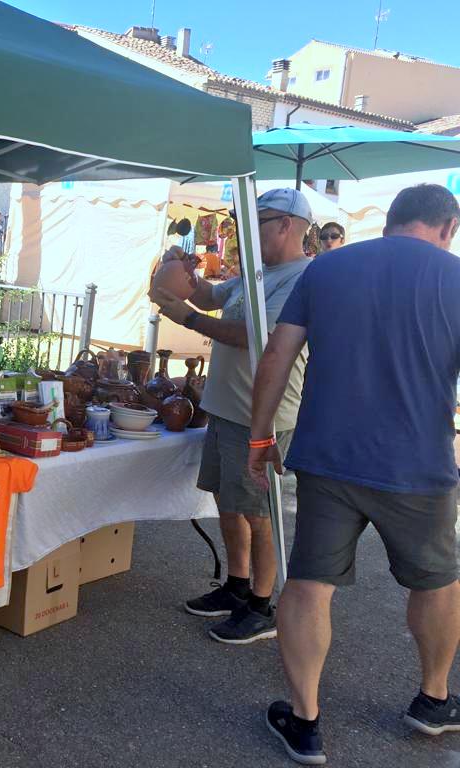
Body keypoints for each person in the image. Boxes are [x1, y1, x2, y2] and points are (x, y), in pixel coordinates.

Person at [247, 184, 460, 765]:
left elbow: (276, 356)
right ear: (447, 227)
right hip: (420, 467)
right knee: (437, 582)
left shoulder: (327, 270)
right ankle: (432, 700)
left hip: (327, 459)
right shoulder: (456, 277)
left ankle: (306, 721)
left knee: (310, 585)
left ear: (390, 222)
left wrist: (260, 436)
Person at [150, 189, 312, 645]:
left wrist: (186, 317)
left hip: (262, 418)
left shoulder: (302, 278)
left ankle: (263, 605)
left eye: (256, 222)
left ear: (286, 225)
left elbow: (254, 336)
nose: (245, 233)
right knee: (228, 502)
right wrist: (186, 272)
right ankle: (238, 585)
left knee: (259, 513)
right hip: (226, 409)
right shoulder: (256, 274)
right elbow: (209, 293)